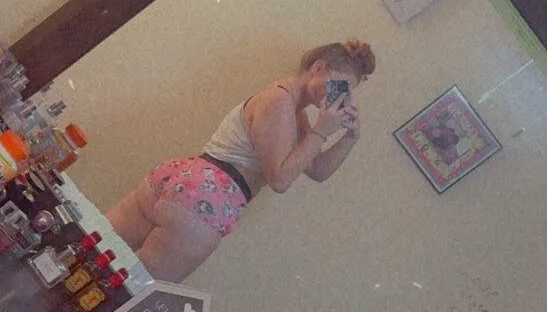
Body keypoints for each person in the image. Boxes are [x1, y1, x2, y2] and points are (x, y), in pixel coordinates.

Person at [107, 38, 376, 281]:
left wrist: (350, 137)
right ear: (318, 67)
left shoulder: (295, 110)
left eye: (346, 91)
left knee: (98, 251)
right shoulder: (280, 101)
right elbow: (280, 180)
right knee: (132, 295)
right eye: (339, 85)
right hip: (205, 201)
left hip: (183, 179)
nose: (338, 95)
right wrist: (322, 131)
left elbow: (316, 169)